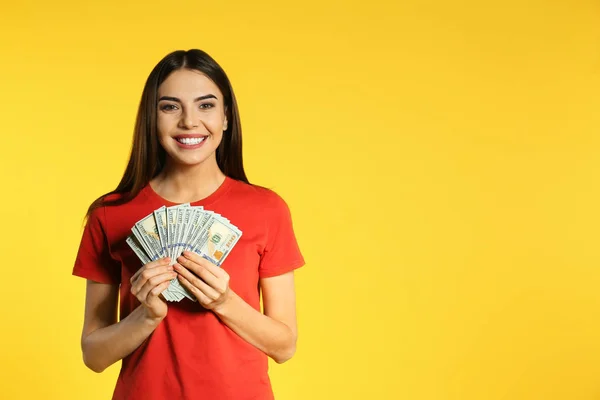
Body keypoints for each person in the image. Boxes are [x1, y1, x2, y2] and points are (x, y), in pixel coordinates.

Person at [72, 49, 305, 400]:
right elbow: (94, 355)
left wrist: (224, 301)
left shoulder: (267, 209)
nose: (189, 122)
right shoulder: (111, 213)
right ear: (152, 119)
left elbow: (284, 346)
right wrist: (146, 316)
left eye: (206, 105)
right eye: (170, 107)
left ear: (226, 117)